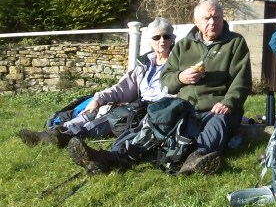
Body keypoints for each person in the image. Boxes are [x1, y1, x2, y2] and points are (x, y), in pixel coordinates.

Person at [68, 0, 252, 175]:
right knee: (152, 124)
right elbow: (166, 80)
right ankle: (112, 157)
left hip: (218, 107)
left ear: (222, 18)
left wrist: (229, 102)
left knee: (217, 127)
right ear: (195, 21)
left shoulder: (235, 43)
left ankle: (195, 159)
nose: (212, 22)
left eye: (217, 17)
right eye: (207, 18)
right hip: (185, 106)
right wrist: (180, 78)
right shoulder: (183, 46)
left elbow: (242, 80)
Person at [19, 17, 176, 147]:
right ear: (150, 41)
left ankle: (64, 136)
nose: (162, 41)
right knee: (97, 108)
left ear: (172, 39)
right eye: (157, 37)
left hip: (156, 110)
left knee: (112, 116)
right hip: (137, 104)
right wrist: (99, 98)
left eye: (166, 36)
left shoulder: (178, 63)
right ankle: (55, 131)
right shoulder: (145, 63)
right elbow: (122, 87)